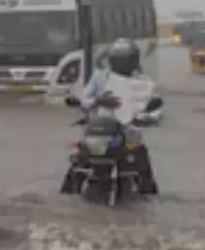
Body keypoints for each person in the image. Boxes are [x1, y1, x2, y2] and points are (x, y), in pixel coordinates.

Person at [61, 38, 160, 195]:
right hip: (98, 132)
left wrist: (148, 116)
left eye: (126, 60)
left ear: (134, 61)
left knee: (142, 163)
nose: (122, 64)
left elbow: (156, 106)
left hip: (129, 132)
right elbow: (84, 99)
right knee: (78, 161)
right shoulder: (100, 77)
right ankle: (68, 196)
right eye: (118, 60)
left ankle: (147, 195)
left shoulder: (143, 82)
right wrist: (99, 100)